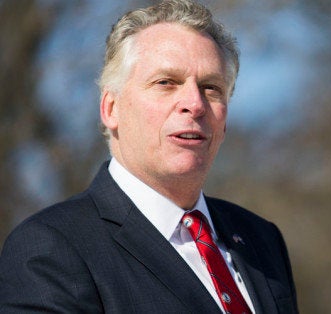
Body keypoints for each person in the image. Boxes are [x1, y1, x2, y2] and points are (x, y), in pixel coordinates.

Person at [0, 0, 299, 313]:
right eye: (166, 83)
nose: (195, 104)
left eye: (211, 87)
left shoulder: (261, 239)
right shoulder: (52, 249)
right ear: (111, 109)